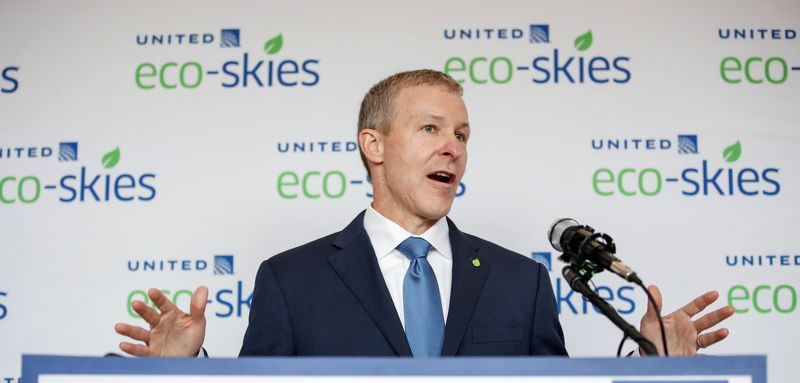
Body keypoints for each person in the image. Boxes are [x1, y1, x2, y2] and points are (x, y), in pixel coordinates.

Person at [115, 70, 732, 358]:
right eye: (431, 128)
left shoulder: (522, 281)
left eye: (462, 133)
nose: (453, 147)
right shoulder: (290, 281)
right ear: (374, 145)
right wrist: (183, 374)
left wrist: (653, 366)